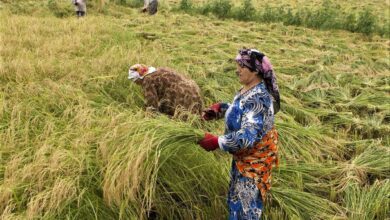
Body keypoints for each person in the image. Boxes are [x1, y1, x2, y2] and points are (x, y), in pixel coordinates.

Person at [198, 48, 280, 219]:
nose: (238, 69)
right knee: (236, 204)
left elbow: (246, 137)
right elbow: (241, 110)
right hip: (242, 160)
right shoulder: (247, 89)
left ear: (255, 70)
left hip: (253, 165)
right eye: (238, 65)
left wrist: (216, 141)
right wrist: (220, 110)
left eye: (242, 66)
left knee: (245, 210)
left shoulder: (259, 98)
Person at [128, 64, 203, 116]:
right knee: (196, 118)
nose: (135, 83)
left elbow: (152, 106)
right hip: (194, 89)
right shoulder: (161, 69)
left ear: (138, 78)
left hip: (181, 96)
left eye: (134, 80)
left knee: (184, 125)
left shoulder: (147, 80)